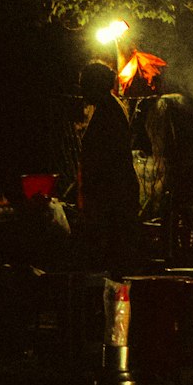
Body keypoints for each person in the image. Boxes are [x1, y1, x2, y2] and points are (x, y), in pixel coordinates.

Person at [76, 60, 142, 277]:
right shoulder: (109, 108)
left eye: (85, 85)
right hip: (115, 195)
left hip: (113, 198)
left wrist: (93, 193)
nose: (82, 90)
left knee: (113, 258)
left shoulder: (108, 113)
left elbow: (106, 159)